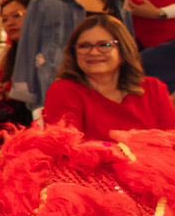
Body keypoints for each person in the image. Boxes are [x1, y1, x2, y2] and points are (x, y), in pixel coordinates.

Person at [12, 0, 134, 108]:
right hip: (62, 87)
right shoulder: (45, 1)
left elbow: (129, 45)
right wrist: (31, 99)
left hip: (113, 87)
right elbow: (27, 50)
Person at [42, 15, 175, 139]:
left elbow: (170, 141)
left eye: (104, 45)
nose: (93, 52)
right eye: (84, 46)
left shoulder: (153, 88)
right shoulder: (64, 91)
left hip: (155, 162)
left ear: (123, 51)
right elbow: (66, 149)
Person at [0, 0, 33, 142]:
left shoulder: (43, 54)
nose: (10, 23)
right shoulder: (10, 55)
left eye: (17, 16)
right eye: (5, 19)